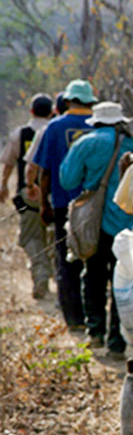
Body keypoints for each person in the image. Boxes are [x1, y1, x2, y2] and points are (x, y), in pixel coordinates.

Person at [59, 101, 133, 358]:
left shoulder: (86, 142)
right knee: (122, 280)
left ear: (97, 121)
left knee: (93, 275)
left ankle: (95, 332)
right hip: (128, 225)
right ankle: (116, 342)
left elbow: (67, 180)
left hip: (95, 223)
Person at [31, 80, 98, 331]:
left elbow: (45, 171)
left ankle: (74, 320)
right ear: (91, 101)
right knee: (94, 261)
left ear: (68, 101)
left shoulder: (55, 127)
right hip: (96, 206)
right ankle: (96, 318)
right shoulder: (100, 125)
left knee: (67, 260)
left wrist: (44, 204)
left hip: (64, 204)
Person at [0, 94, 55, 299]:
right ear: (51, 111)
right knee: (52, 234)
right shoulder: (54, 131)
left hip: (26, 197)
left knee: (28, 235)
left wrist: (3, 185)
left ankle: (40, 273)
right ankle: (53, 273)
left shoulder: (19, 134)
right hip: (54, 196)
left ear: (31, 111)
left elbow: (8, 162)